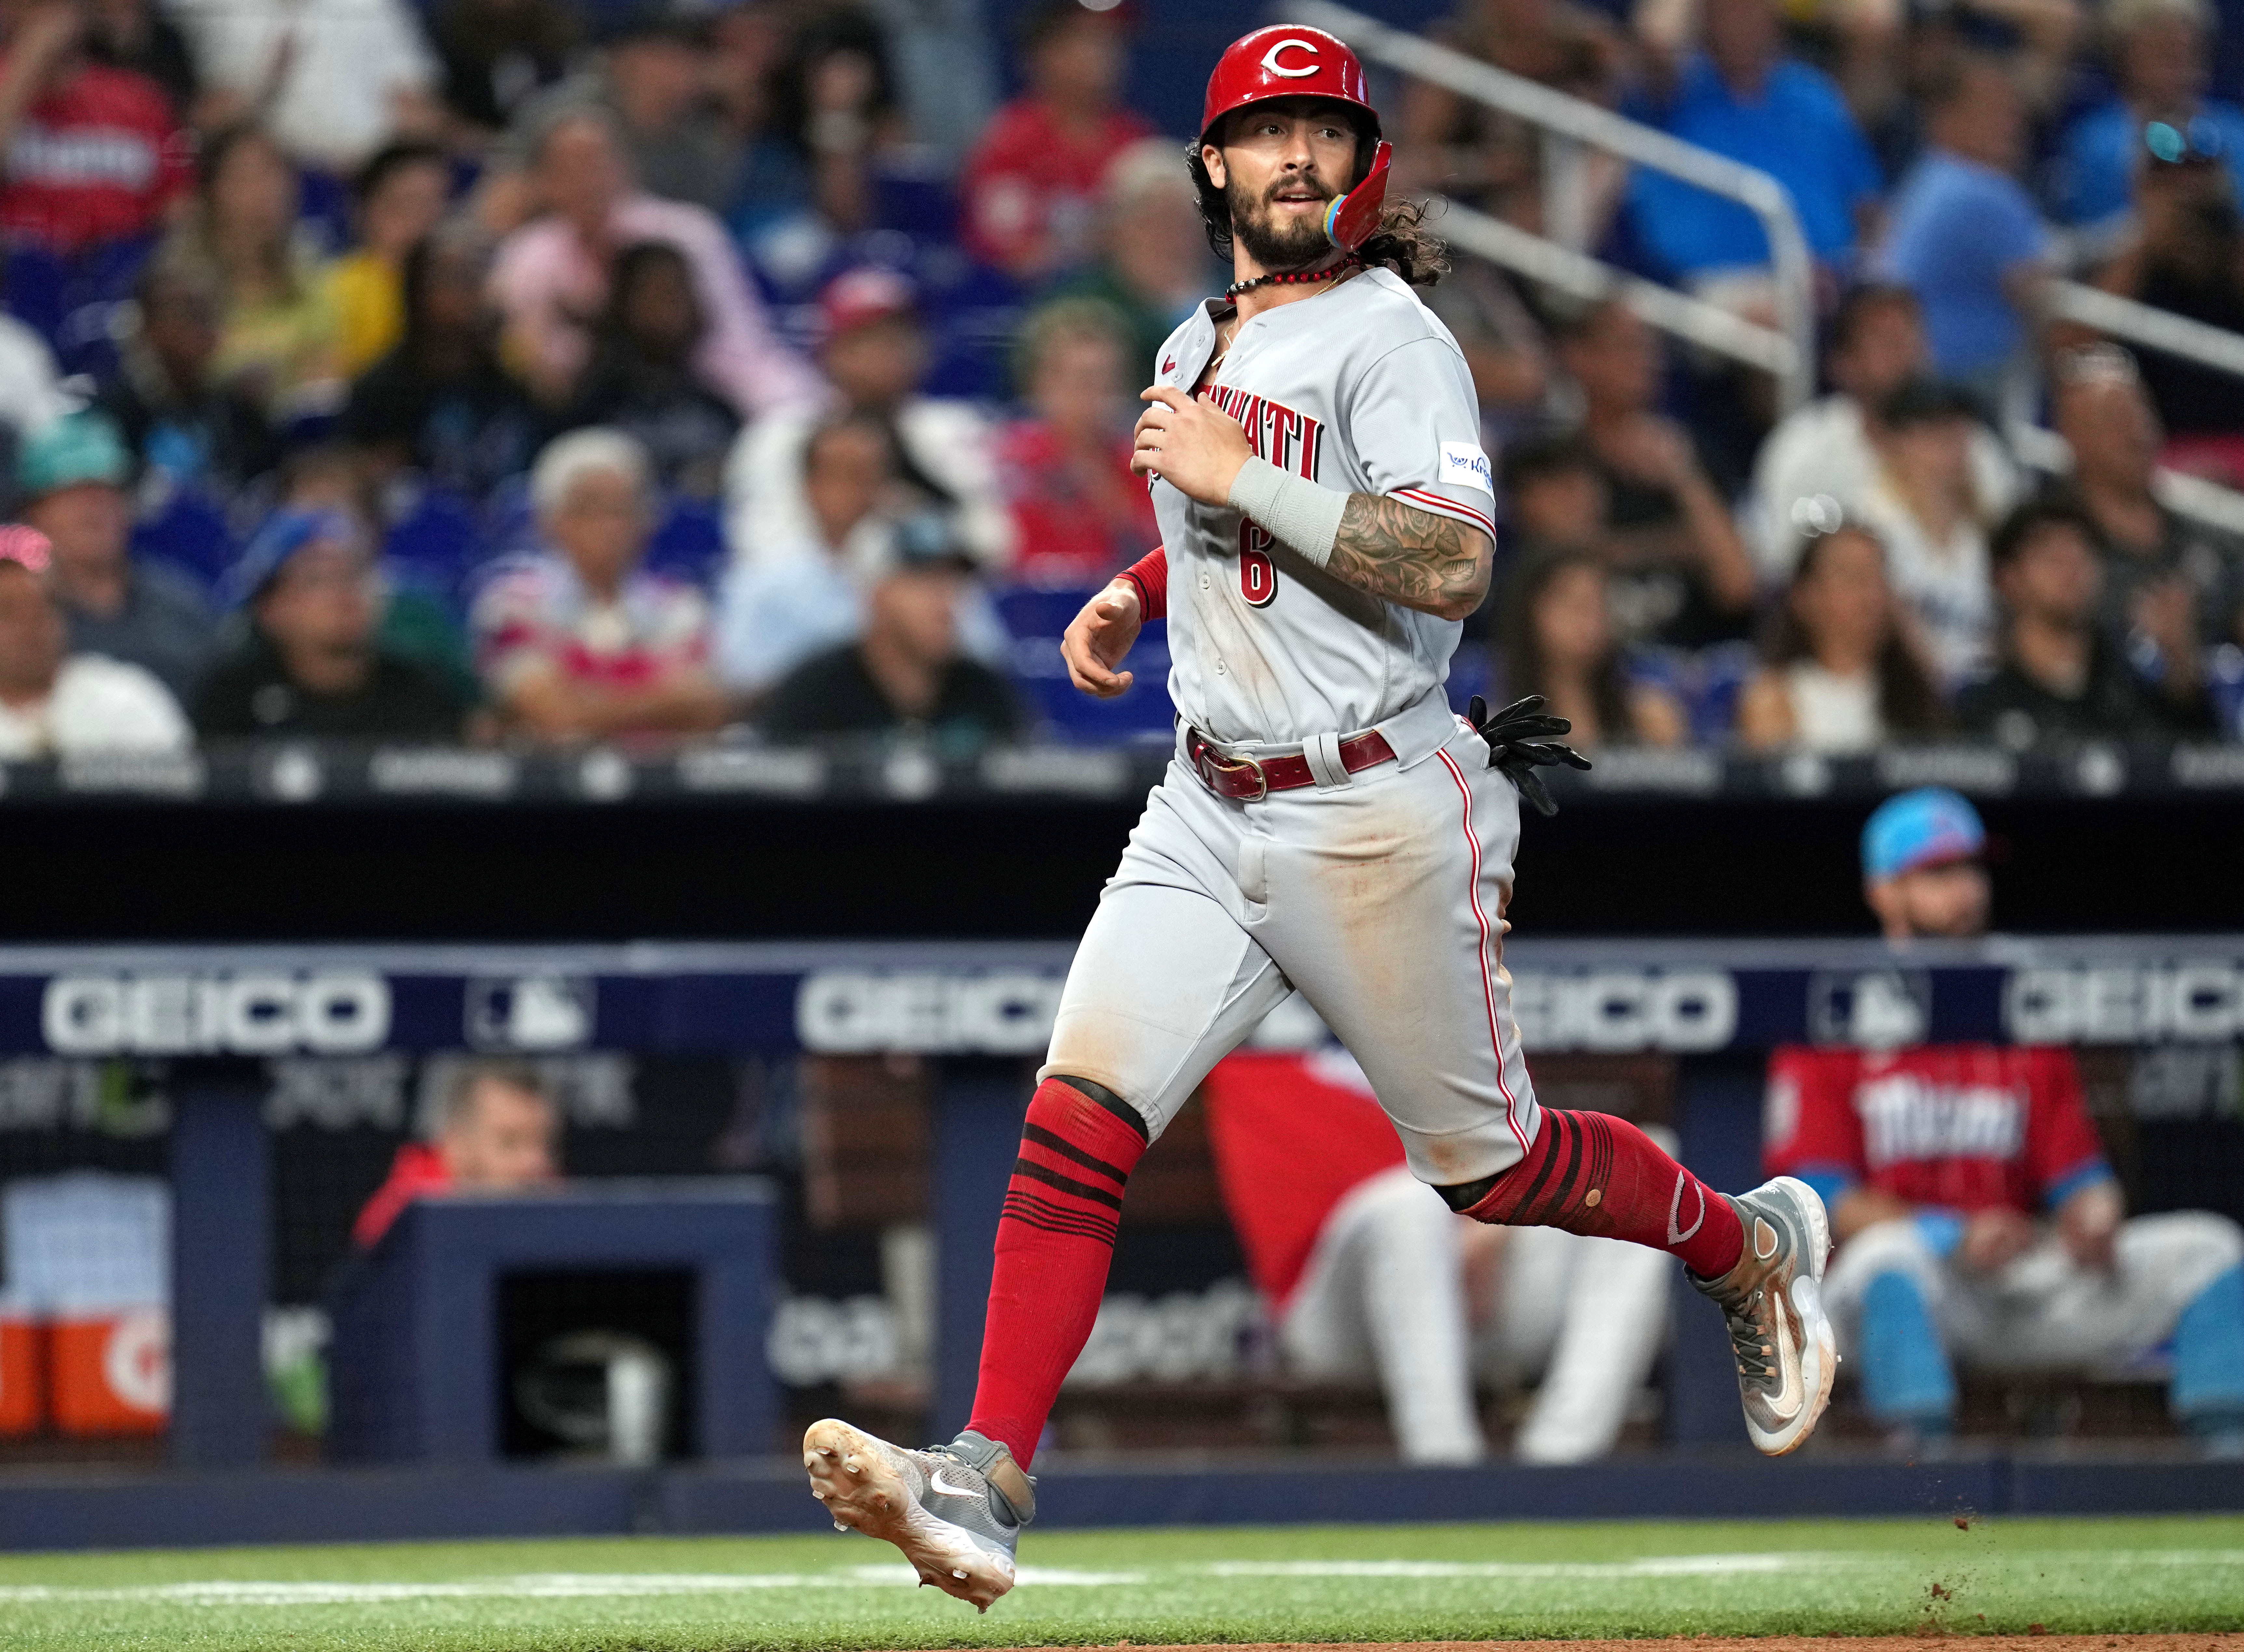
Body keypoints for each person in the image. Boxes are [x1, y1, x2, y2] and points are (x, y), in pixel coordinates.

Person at [802, 28, 1837, 1610]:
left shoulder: (1394, 336)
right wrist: (1138, 587)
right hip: (1210, 799)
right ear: (1213, 165)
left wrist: (1238, 480)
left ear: (1365, 169)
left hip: (1375, 804)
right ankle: (988, 1476)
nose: (1295, 158)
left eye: (1324, 135)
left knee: (1490, 1169)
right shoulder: (1184, 348)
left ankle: (1741, 1242)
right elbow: (1230, 522)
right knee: (1080, 1109)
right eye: (1264, 133)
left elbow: (1451, 563)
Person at [1764, 787, 2244, 1447]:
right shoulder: (1832, 1013)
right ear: (1884, 892)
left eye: (1971, 869)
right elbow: (1820, 1198)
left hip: (2017, 1282)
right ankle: (1925, 1468)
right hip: (1899, 1291)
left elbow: (2081, 1177)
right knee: (1886, 1256)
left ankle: (2225, 1463)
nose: (1965, 889)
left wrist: (2093, 1216)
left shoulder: (2024, 1010)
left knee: (2209, 1247)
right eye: (1938, 873)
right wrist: (1947, 1233)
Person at [1203, 1043, 1670, 1465]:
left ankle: (1561, 1468)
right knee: (1409, 1206)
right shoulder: (1266, 1025)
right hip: (1339, 1318)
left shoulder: (1443, 989)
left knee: (1646, 1165)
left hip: (1492, 1280)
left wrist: (1500, 1216)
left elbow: (1521, 1133)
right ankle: (1446, 1472)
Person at [488, 108, 819, 418]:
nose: (587, 178)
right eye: (570, 166)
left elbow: (739, 346)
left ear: (625, 166)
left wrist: (773, 412)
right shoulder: (525, 256)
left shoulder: (686, 233)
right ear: (542, 182)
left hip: (711, 395)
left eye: (597, 161)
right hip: (588, 415)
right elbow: (528, 357)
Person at [724, 269, 1010, 573]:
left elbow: (994, 542)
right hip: (817, 602)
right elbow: (760, 546)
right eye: (867, 340)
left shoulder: (955, 428)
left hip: (935, 593)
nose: (887, 353)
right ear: (831, 352)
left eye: (900, 337)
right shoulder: (778, 436)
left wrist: (911, 522)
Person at [471, 427, 727, 739]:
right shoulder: (511, 604)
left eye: (621, 509)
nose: (606, 526)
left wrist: (585, 700)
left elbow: (705, 706)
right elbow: (555, 715)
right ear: (549, 520)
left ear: (647, 520)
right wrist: (658, 700)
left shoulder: (680, 604)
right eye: (587, 509)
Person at [1749, 285, 2016, 583]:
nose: (1907, 356)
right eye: (1887, 342)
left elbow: (2017, 564)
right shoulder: (1806, 452)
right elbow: (1785, 572)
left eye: (1914, 339)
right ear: (1843, 365)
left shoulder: (1974, 447)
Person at [1623, 0, 1881, 297]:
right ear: (1705, 20)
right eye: (1729, 11)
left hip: (1825, 285)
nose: (1742, 23)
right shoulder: (1676, 89)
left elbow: (1868, 204)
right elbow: (1655, 38)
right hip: (1707, 293)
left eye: (1752, 9)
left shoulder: (1811, 94)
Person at [1552, 300, 1756, 648]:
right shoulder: (1558, 460)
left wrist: (1684, 478)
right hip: (1603, 658)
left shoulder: (1693, 455)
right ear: (1579, 357)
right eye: (1628, 347)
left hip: (1694, 662)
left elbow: (1739, 587)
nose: (1648, 361)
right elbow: (1565, 573)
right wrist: (1679, 545)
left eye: (1651, 349)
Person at [1957, 499, 2217, 745]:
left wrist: (2182, 663)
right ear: (2007, 580)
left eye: (2082, 555)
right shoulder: (1982, 703)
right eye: (2053, 559)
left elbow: (2200, 763)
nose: (2072, 571)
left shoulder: (2130, 689)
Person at [194, 508, 465, 740]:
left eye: (354, 575)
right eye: (318, 580)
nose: (344, 592)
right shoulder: (233, 700)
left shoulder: (417, 691)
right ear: (271, 609)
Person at [759, 511, 1019, 752]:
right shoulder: (814, 696)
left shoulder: (986, 694)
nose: (946, 598)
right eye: (923, 580)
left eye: (952, 579)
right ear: (876, 593)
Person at [1871, 54, 2053, 395]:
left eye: (2013, 112)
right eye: (1994, 112)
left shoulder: (1928, 175)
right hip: (1949, 389)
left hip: (1916, 383)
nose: (2011, 126)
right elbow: (2044, 301)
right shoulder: (1983, 189)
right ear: (1945, 118)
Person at [2051, 345, 2244, 663]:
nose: (2138, 431)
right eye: (2115, 419)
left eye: (2143, 411)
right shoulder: (2060, 551)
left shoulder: (2206, 531)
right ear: (2075, 438)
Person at [19, 410, 215, 700]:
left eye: (109, 491)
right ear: (34, 514)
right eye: (75, 494)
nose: (96, 508)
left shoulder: (182, 605)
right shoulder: (17, 619)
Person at [344, 223, 543, 499]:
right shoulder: (381, 391)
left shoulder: (509, 387)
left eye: (477, 276)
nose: (469, 292)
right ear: (418, 291)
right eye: (453, 279)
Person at [161, 125, 343, 424]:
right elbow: (185, 376)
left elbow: (327, 364)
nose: (267, 191)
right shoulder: (180, 280)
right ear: (211, 191)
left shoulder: (309, 265)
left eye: (275, 174)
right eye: (247, 178)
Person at [959, 0, 1153, 282]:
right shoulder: (1011, 142)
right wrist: (1099, 243)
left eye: (1112, 41)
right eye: (1086, 40)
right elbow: (1010, 255)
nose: (1105, 54)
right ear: (1044, 54)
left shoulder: (1135, 140)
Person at [715, 414, 898, 698]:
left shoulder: (910, 568)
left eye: (871, 474)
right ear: (809, 484)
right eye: (845, 473)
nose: (861, 488)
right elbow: (739, 682)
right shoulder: (763, 580)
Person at [2090, 120, 2244, 451]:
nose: (2186, 186)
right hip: (2160, 443)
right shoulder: (2115, 254)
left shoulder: (2234, 247)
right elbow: (2079, 343)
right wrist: (2149, 241)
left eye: (2199, 171)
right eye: (2169, 176)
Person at [1737, 520, 1945, 753]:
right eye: (1852, 577)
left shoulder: (1915, 694)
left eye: (1878, 576)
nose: (1870, 594)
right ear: (1806, 597)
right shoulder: (1776, 699)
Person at [0, 0, 190, 255]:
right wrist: (29, 61)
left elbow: (177, 201)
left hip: (121, 274)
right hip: (17, 271)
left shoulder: (139, 98)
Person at [170, 0, 442, 176]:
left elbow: (416, 104)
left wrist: (386, 158)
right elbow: (206, 120)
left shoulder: (372, 8)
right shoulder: (225, 12)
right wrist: (266, 81)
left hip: (367, 173)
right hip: (279, 173)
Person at [995, 299, 1157, 589]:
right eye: (1085, 381)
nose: (1101, 398)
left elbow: (1154, 554)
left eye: (1111, 383)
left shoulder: (1143, 463)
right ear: (1042, 384)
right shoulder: (1010, 461)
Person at [559, 240, 739, 498]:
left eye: (677, 293)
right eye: (654, 292)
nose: (668, 307)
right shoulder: (589, 408)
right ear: (623, 301)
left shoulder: (718, 409)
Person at [95, 249, 280, 499]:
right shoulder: (117, 415)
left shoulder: (238, 410)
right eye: (185, 313)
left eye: (207, 313)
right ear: (148, 328)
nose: (200, 326)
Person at [1851, 379, 1996, 691]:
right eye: (1935, 434)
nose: (1951, 448)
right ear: (1899, 441)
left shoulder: (1984, 528)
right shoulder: (1871, 521)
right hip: (1901, 689)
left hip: (1982, 691)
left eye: (1958, 434)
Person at [0, 523, 189, 756]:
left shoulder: (125, 700)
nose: (29, 625)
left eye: (44, 607)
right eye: (8, 611)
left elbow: (180, 786)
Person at [2057, 0, 2244, 235]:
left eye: (2188, 50)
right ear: (2127, 56)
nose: (2179, 62)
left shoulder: (2234, 128)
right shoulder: (2097, 139)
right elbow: (2090, 230)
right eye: (2163, 50)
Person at [1046, 140, 1226, 383]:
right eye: (1152, 221)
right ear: (1117, 230)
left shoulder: (1240, 295)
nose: (1168, 237)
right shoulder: (1080, 307)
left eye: (1181, 222)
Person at [1496, 541, 1688, 749]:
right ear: (1530, 611)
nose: (1589, 621)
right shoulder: (1494, 717)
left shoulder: (1646, 717)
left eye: (1599, 604)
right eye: (1574, 604)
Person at [352, 1060, 559, 1247]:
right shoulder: (402, 1223)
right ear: (456, 1144)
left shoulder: (553, 1204)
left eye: (543, 1144)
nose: (535, 1163)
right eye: (510, 1143)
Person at [325, 142, 456, 380]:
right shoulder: (338, 289)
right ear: (368, 209)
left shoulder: (461, 289)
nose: (427, 219)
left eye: (438, 204)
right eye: (411, 203)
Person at [427, 0, 581, 143]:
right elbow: (438, 96)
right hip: (475, 139)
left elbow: (573, 91)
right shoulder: (450, 26)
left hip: (549, 134)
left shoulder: (560, 23)